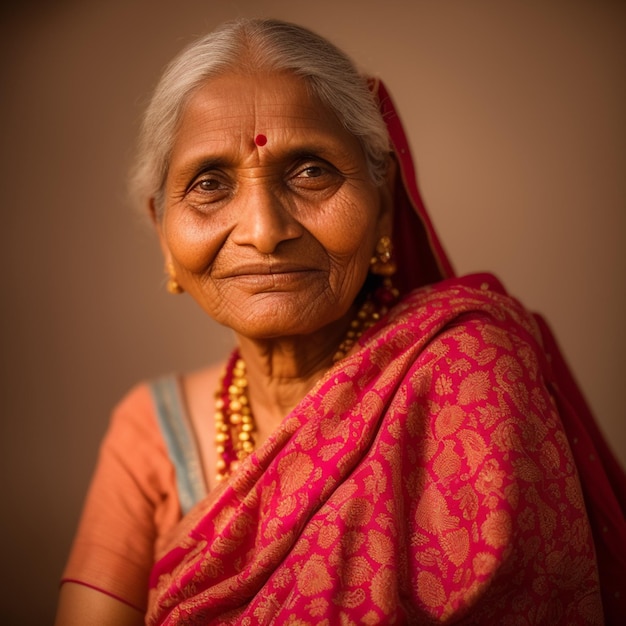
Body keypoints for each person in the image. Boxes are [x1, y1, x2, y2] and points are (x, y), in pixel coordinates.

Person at [55, 18, 626, 625]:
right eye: (210, 184)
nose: (264, 230)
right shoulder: (150, 432)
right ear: (163, 230)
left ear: (382, 207)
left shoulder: (467, 378)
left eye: (311, 172)